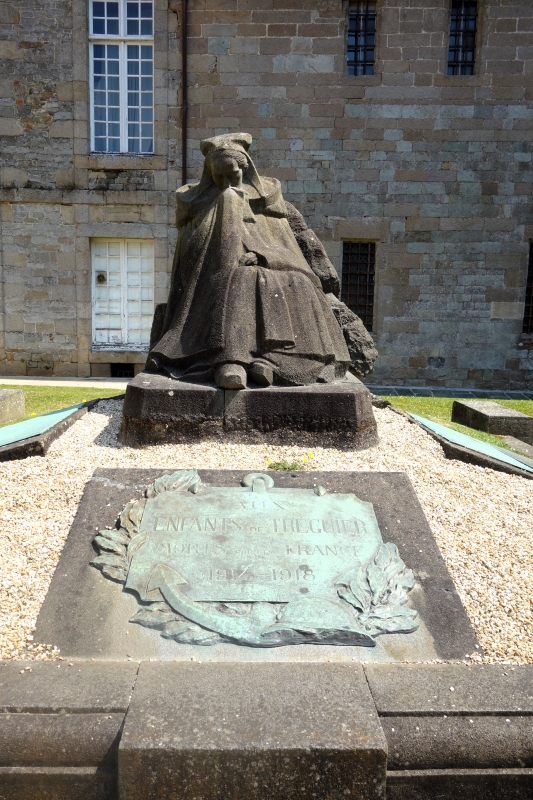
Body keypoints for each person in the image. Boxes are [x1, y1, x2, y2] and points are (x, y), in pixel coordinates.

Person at [147, 133, 351, 389]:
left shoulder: (268, 204)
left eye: (232, 175)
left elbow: (288, 250)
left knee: (300, 284)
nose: (225, 182)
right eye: (218, 177)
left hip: (273, 270)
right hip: (215, 277)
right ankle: (231, 363)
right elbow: (190, 257)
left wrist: (262, 256)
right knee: (237, 280)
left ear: (244, 170)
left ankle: (271, 362)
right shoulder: (201, 205)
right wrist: (226, 211)